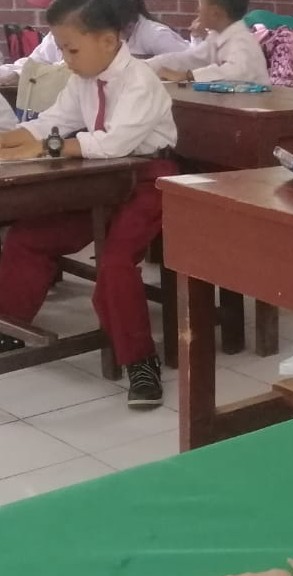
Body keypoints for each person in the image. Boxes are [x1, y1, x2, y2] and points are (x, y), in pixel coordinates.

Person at [0, 0, 178, 406]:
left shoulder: (140, 81)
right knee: (29, 238)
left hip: (148, 179)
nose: (65, 58)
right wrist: (9, 141)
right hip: (100, 180)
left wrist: (44, 148)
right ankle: (9, 326)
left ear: (108, 41)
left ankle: (140, 362)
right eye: (62, 49)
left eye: (72, 49)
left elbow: (115, 143)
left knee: (115, 262)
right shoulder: (83, 78)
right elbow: (51, 123)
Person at [0, 0, 189, 84]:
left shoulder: (154, 34)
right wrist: (14, 74)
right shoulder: (70, 31)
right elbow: (35, 63)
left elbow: (190, 64)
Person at [145, 0, 269, 84]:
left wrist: (188, 75)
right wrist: (147, 66)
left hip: (254, 110)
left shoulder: (242, 41)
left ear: (215, 13)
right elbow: (190, 59)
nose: (197, 11)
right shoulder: (216, 37)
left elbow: (236, 72)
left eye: (200, 7)